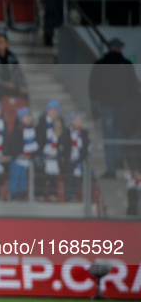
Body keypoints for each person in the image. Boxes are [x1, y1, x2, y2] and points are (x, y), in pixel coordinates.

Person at [89, 37, 140, 179]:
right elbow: (134, 87)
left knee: (108, 137)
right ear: (121, 49)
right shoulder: (127, 64)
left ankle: (111, 169)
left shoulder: (100, 64)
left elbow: (93, 85)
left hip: (106, 105)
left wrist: (94, 103)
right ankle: (119, 163)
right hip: (124, 106)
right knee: (120, 135)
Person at [34, 99, 65, 202]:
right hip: (43, 154)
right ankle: (39, 194)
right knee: (41, 175)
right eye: (51, 110)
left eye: (55, 110)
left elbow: (62, 141)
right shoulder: (42, 123)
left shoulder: (60, 125)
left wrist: (58, 153)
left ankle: (52, 194)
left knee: (52, 177)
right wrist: (40, 153)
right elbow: (38, 139)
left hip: (54, 155)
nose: (53, 112)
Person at [0, 33, 28, 101]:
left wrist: (21, 85)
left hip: (12, 84)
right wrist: (4, 83)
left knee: (24, 93)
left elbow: (19, 73)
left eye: (2, 42)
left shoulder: (12, 57)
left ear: (7, 44)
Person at [8, 107, 38, 201]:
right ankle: (13, 195)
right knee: (15, 178)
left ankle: (22, 194)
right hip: (17, 160)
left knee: (23, 179)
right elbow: (14, 144)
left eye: (29, 116)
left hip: (26, 160)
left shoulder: (33, 130)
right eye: (26, 116)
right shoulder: (18, 130)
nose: (28, 118)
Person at [59, 111, 89, 202]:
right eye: (76, 120)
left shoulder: (83, 133)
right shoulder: (67, 132)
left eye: (79, 120)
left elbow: (86, 146)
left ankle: (75, 194)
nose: (78, 122)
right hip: (70, 159)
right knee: (69, 177)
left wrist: (82, 157)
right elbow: (64, 144)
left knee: (77, 178)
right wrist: (66, 156)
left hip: (79, 160)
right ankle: (68, 194)